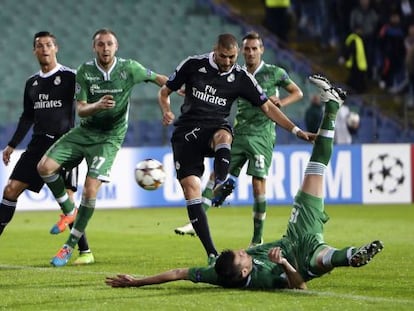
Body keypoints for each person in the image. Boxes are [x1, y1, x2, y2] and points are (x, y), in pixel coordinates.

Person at [105, 74, 383, 290]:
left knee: (316, 166)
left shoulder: (220, 271)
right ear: (246, 271)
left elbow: (179, 273)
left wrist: (137, 281)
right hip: (302, 259)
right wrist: (284, 263)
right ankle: (350, 256)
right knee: (321, 259)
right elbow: (300, 286)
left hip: (296, 234)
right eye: (242, 256)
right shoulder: (263, 278)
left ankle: (332, 105)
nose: (243, 251)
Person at [158, 33, 313, 263]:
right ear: (215, 49)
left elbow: (268, 108)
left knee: (224, 136)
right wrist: (166, 110)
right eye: (223, 56)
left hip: (216, 128)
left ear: (236, 54)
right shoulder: (193, 64)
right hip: (186, 134)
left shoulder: (241, 78)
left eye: (232, 57)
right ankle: (211, 254)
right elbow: (164, 91)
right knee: (191, 190)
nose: (228, 61)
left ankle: (222, 181)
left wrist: (297, 131)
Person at [37, 28, 168, 267]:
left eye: (109, 44)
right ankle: (69, 211)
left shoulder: (129, 68)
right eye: (100, 44)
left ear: (116, 47)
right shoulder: (85, 71)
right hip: (85, 131)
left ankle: (69, 247)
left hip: (109, 138)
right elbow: (81, 109)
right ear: (94, 48)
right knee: (44, 167)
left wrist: (178, 92)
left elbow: (160, 79)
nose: (105, 48)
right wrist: (97, 105)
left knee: (89, 191)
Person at [0, 31, 94, 265]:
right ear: (34, 51)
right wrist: (12, 144)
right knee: (10, 190)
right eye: (39, 46)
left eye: (48, 45)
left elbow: (88, 101)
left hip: (63, 144)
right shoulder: (31, 83)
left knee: (67, 201)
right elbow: (27, 116)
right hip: (37, 144)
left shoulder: (71, 76)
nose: (44, 49)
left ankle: (85, 252)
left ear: (56, 48)